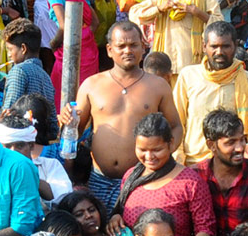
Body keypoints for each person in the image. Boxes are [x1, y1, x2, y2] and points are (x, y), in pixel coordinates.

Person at [60, 21, 182, 210]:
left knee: (139, 234)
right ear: (109, 50)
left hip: (142, 178)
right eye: (121, 46)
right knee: (101, 235)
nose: (128, 51)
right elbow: (76, 130)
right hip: (99, 180)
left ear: (143, 47)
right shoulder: (92, 84)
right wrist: (67, 119)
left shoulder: (158, 86)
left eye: (133, 45)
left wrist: (161, 158)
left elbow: (175, 126)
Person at [111, 113, 214, 236]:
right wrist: (116, 219)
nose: (149, 157)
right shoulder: (130, 176)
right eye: (142, 150)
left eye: (156, 150)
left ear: (171, 144)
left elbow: (206, 229)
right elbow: (122, 213)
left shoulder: (191, 182)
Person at [172, 21, 248, 165]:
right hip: (194, 163)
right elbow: (176, 121)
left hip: (234, 164)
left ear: (235, 47)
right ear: (204, 46)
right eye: (214, 46)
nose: (219, 52)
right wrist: (178, 158)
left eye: (225, 46)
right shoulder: (188, 76)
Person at [0, 20, 57, 135]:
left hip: (20, 140)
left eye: (10, 49)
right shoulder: (46, 77)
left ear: (23, 48)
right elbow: (53, 124)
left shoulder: (18, 71)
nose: (9, 55)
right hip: (40, 141)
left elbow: (8, 113)